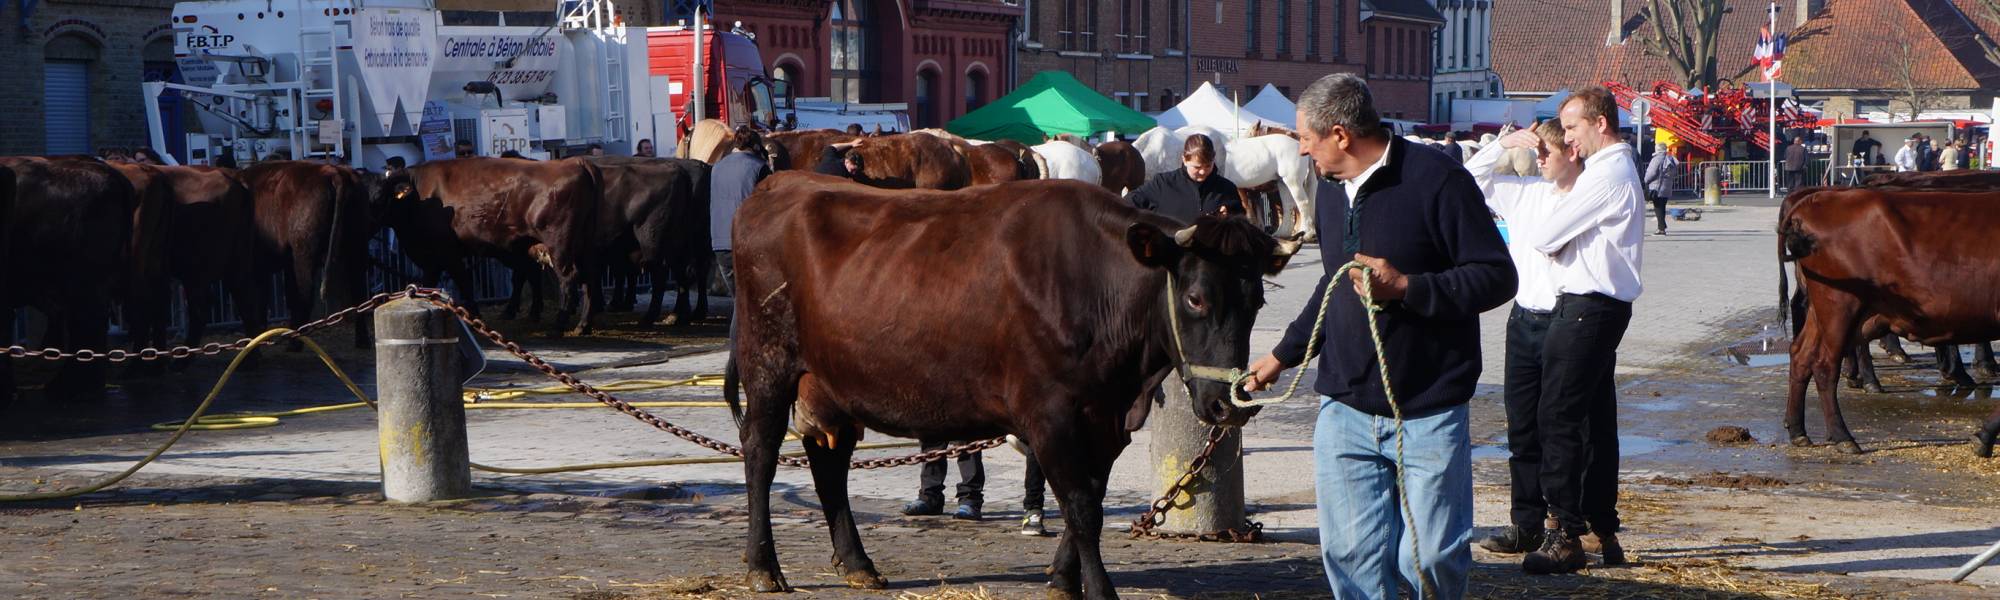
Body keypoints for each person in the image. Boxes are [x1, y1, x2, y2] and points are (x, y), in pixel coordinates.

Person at [1242, 73, 1516, 599]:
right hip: (1344, 405)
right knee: (1350, 556)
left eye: (1305, 138)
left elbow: (1497, 275)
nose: (1300, 149)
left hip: (1429, 405)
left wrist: (1408, 287)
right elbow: (1333, 283)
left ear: (1340, 134)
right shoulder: (1325, 191)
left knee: (1431, 557)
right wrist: (1281, 355)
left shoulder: (1438, 179)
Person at [1520, 85, 1645, 575]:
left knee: (1558, 416)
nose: (1567, 138)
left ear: (1600, 123)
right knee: (1593, 417)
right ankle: (1600, 529)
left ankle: (1564, 532)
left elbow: (1544, 235)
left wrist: (1558, 242)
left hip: (1587, 307)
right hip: (1597, 305)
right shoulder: (1612, 169)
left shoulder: (1607, 173)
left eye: (1571, 127)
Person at [1464, 120, 1580, 558]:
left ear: (1571, 152)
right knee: (1522, 427)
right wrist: (1502, 144)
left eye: (1548, 152)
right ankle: (1526, 523)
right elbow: (1471, 179)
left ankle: (1564, 524)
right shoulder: (1526, 191)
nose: (1541, 160)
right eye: (1538, 153)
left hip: (1567, 317)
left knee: (1563, 428)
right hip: (1524, 317)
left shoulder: (1587, 194)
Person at [710, 126, 768, 299]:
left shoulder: (717, 168)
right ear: (756, 146)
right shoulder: (759, 167)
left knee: (740, 301)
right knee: (748, 302)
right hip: (748, 239)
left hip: (720, 241)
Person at [1125, 134, 1237, 223]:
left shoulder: (1227, 188)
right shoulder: (1163, 183)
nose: (1203, 172)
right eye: (1197, 167)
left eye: (1208, 166)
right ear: (1184, 159)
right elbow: (1130, 201)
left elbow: (1240, 219)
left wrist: (1230, 216)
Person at [1643, 145, 1677, 236]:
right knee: (1662, 207)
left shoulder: (1657, 159)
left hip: (1657, 187)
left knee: (1658, 207)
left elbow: (1652, 172)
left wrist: (1645, 181)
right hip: (1667, 186)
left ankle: (1661, 229)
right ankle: (1662, 226)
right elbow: (1675, 173)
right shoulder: (1670, 158)